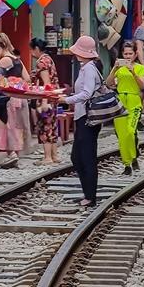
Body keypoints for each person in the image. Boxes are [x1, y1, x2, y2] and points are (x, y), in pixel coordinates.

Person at [61, 35, 103, 207]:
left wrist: (67, 100)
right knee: (79, 157)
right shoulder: (87, 67)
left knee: (84, 157)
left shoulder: (89, 69)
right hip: (83, 117)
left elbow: (86, 93)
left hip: (87, 118)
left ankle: (90, 196)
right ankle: (88, 194)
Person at [0, 33, 32, 165]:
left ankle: (11, 153)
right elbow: (27, 78)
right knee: (16, 126)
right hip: (20, 97)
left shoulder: (4, 60)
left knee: (8, 125)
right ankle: (14, 154)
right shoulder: (17, 59)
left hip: (8, 97)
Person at [105, 40, 144, 175]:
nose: (128, 56)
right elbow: (108, 83)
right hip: (120, 102)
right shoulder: (119, 68)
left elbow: (142, 86)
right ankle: (127, 164)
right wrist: (115, 69)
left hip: (134, 102)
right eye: (125, 53)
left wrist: (133, 72)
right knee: (122, 135)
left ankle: (134, 155)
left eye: (130, 53)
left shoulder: (140, 68)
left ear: (135, 54)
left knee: (130, 131)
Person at [31, 39, 60, 164]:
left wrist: (43, 101)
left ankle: (47, 157)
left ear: (36, 48)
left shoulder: (42, 62)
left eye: (32, 50)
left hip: (46, 97)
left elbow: (46, 83)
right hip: (53, 96)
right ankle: (54, 156)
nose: (31, 53)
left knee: (45, 125)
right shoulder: (49, 59)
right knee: (52, 125)